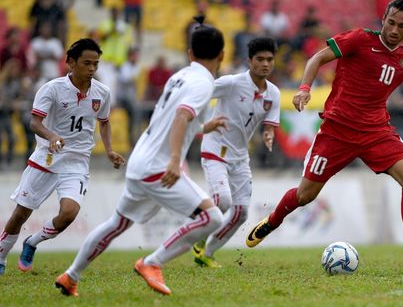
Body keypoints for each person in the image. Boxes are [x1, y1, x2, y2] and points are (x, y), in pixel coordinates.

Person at [246, 0, 403, 272]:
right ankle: (272, 221)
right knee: (305, 195)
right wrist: (304, 88)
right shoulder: (358, 40)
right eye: (391, 22)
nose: (394, 29)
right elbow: (318, 57)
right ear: (383, 18)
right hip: (337, 130)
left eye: (402, 26)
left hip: (376, 132)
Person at [55, 17, 227, 297]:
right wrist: (174, 161)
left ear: (190, 54)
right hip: (158, 166)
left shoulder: (180, 76)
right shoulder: (203, 84)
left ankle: (70, 276)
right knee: (212, 218)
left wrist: (209, 126)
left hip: (139, 161)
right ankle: (151, 262)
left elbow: (181, 119)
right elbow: (182, 117)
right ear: (221, 54)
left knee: (116, 223)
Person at [0, 38, 126, 276]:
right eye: (87, 63)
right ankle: (2, 257)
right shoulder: (52, 89)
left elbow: (105, 123)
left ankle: (32, 242)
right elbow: (34, 122)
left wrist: (109, 150)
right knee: (20, 214)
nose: (91, 69)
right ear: (70, 62)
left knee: (68, 214)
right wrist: (52, 136)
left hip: (77, 163)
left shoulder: (102, 92)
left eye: (96, 64)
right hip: (46, 159)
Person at [192, 37, 280, 268]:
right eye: (259, 59)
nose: (265, 64)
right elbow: (200, 93)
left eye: (269, 59)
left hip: (240, 157)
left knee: (240, 213)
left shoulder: (274, 94)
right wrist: (201, 122)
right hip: (215, 148)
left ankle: (206, 254)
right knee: (222, 201)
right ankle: (198, 238)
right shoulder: (232, 83)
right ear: (249, 61)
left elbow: (270, 123)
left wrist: (269, 134)